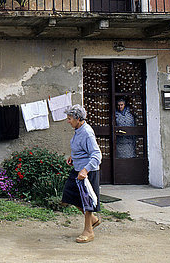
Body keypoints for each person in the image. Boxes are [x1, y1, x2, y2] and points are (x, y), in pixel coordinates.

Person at [61, 104, 102, 243]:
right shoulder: (78, 130)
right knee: (69, 195)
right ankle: (93, 220)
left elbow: (96, 155)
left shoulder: (87, 132)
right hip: (77, 169)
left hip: (87, 172)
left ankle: (88, 231)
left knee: (87, 201)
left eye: (70, 118)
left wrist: (85, 170)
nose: (68, 121)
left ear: (78, 118)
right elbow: (81, 149)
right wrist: (74, 157)